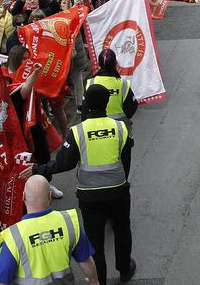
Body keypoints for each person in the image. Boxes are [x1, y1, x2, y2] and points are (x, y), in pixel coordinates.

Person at [24, 86, 134, 285]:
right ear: (106, 103)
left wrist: (37, 169)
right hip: (118, 190)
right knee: (122, 229)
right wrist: (121, 183)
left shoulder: (77, 131)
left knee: (95, 240)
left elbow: (64, 163)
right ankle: (125, 269)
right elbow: (125, 160)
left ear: (87, 104)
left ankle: (99, 280)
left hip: (90, 196)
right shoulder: (120, 128)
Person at [0, 175, 101, 285]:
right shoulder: (68, 222)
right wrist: (93, 280)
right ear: (50, 195)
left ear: (23, 196)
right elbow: (85, 260)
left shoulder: (14, 236)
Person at [83, 49, 137, 174]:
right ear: (115, 64)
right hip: (121, 132)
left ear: (100, 64)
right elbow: (131, 109)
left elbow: (85, 112)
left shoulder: (90, 83)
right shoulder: (122, 84)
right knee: (123, 165)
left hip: (95, 132)